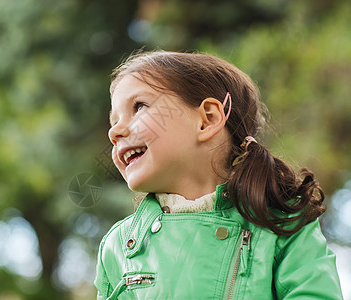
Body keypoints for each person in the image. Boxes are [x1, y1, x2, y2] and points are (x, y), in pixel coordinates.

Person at [94, 50, 343, 299]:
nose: (114, 132)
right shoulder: (118, 247)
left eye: (139, 107)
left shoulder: (281, 223)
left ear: (208, 120)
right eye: (113, 120)